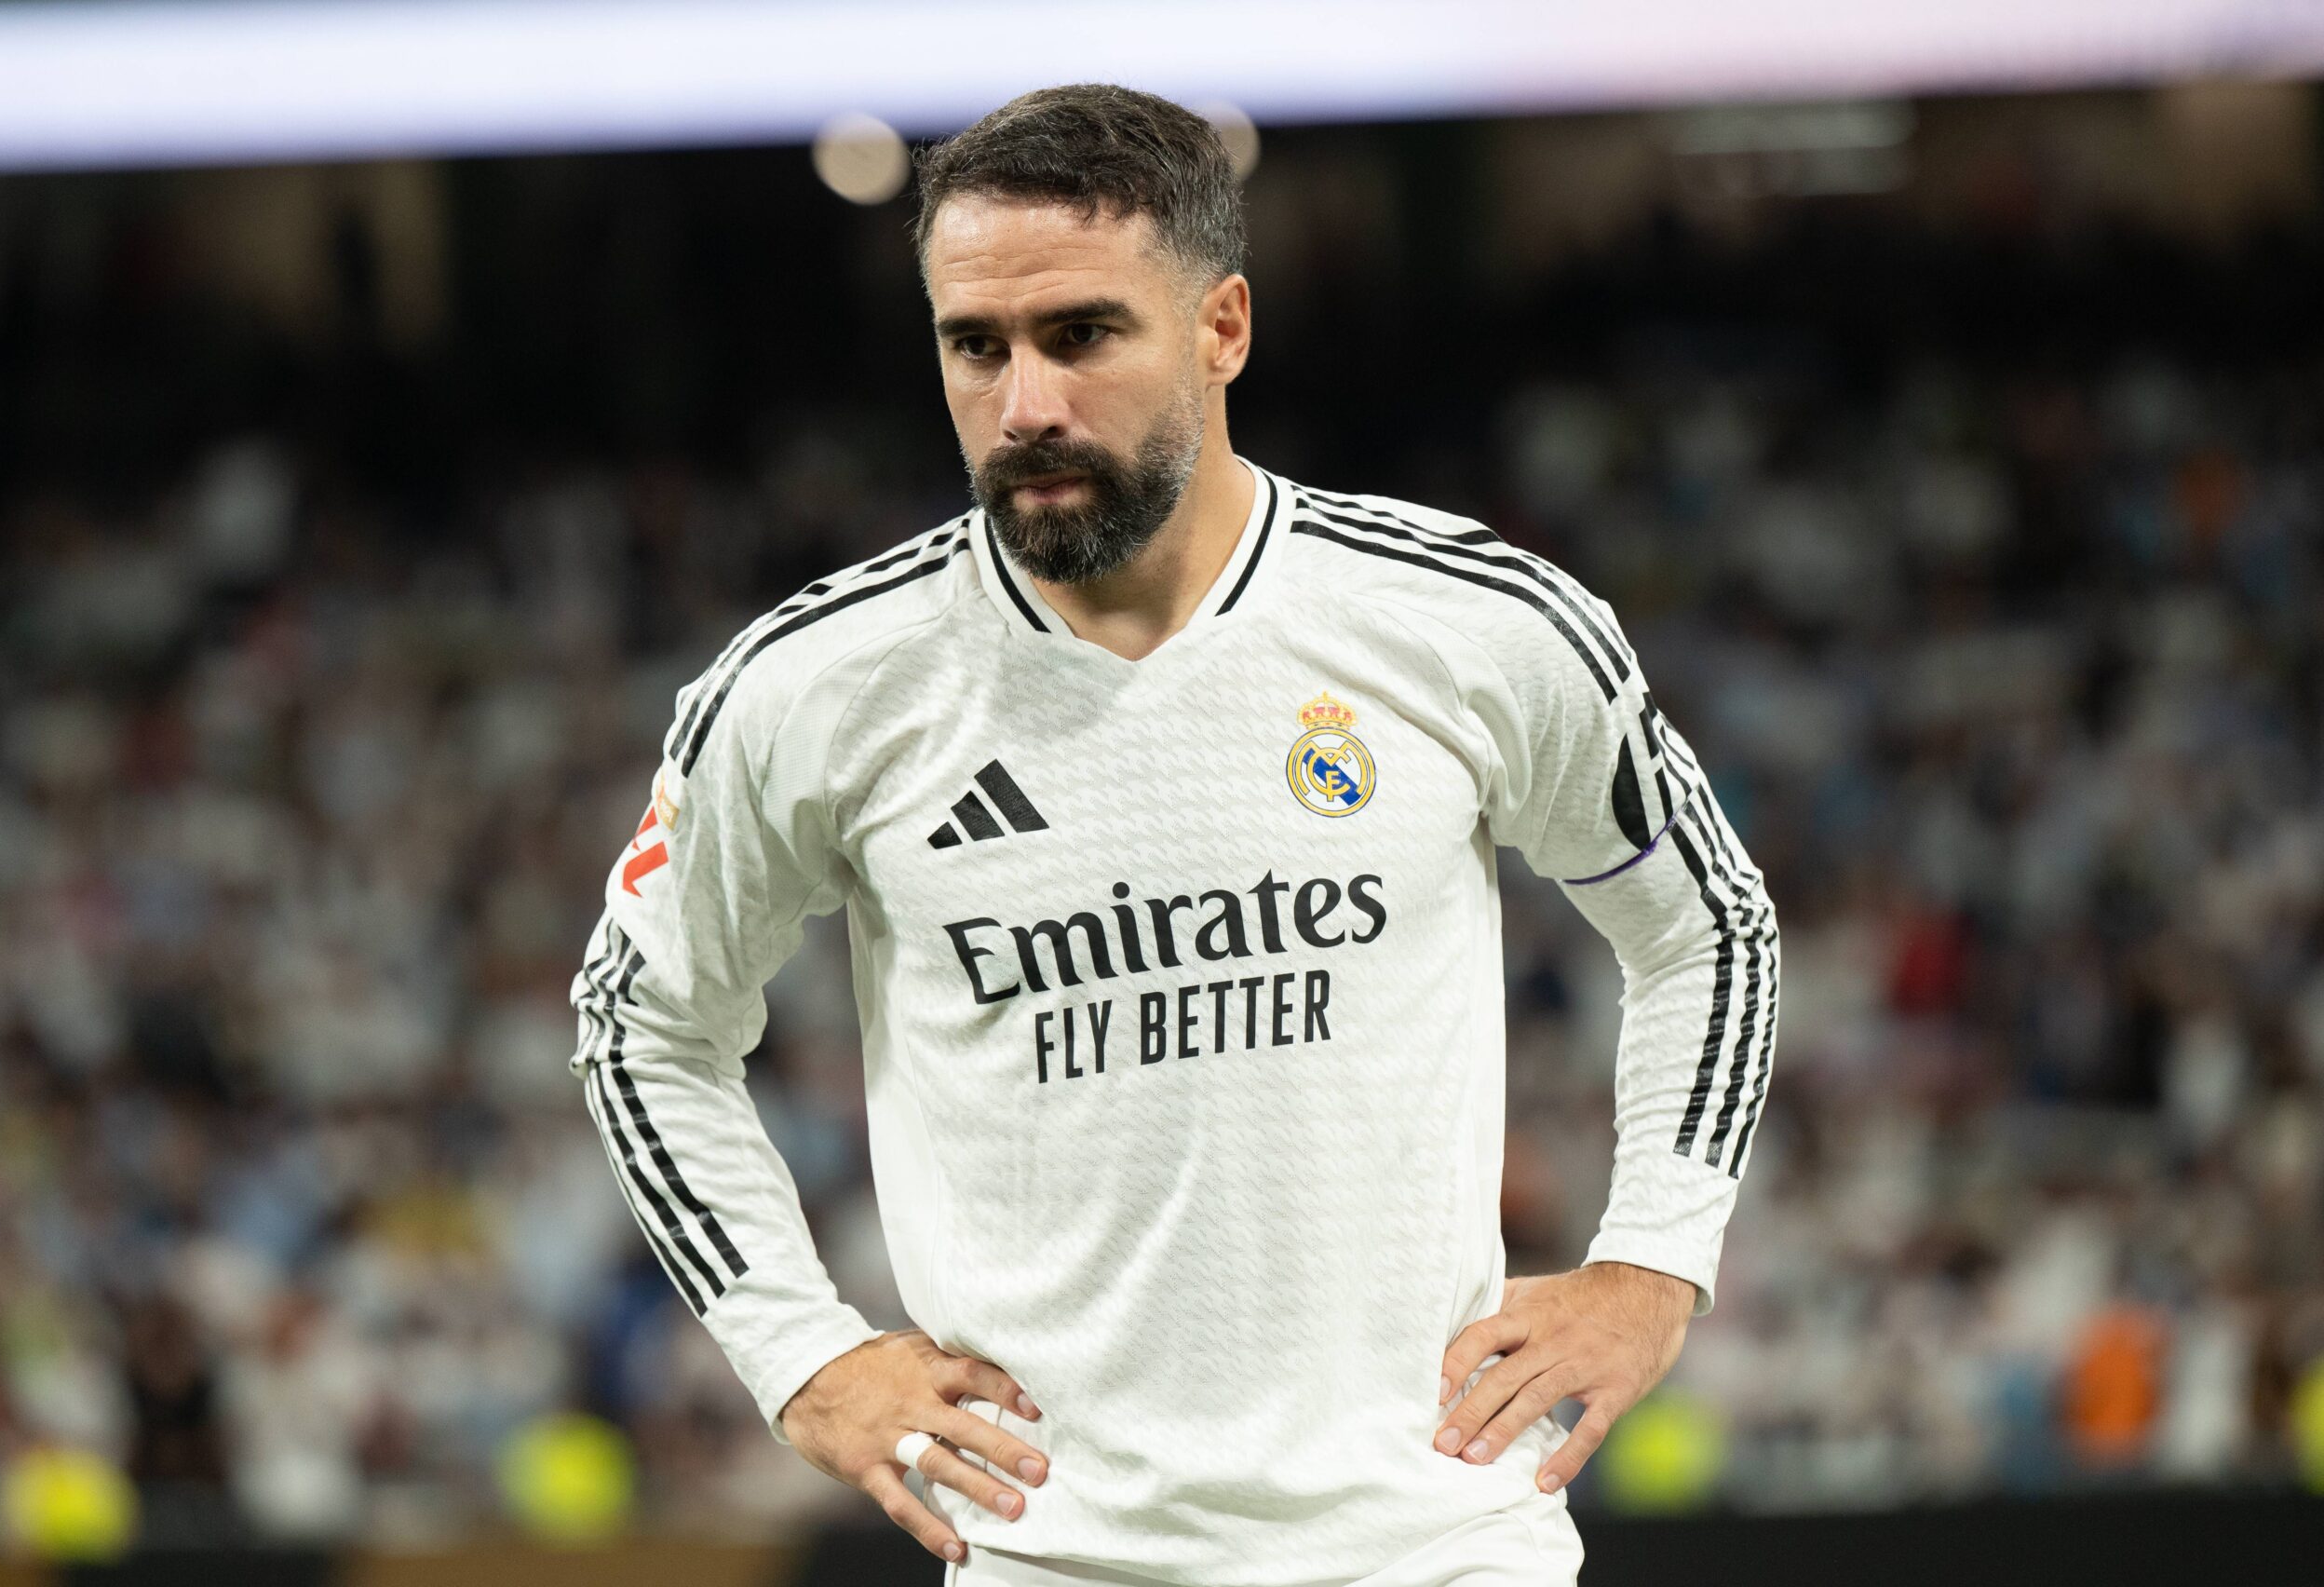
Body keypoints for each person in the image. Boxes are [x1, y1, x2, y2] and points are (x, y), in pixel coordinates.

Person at [570, 82, 1778, 1587]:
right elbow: (640, 1030)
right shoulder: (813, 689)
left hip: (1440, 1538)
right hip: (1058, 1558)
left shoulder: (1471, 621)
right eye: (975, 347)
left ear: (1223, 329)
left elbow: (1706, 925)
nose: (1025, 407)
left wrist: (1654, 1260)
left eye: (1082, 335)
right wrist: (803, 1357)